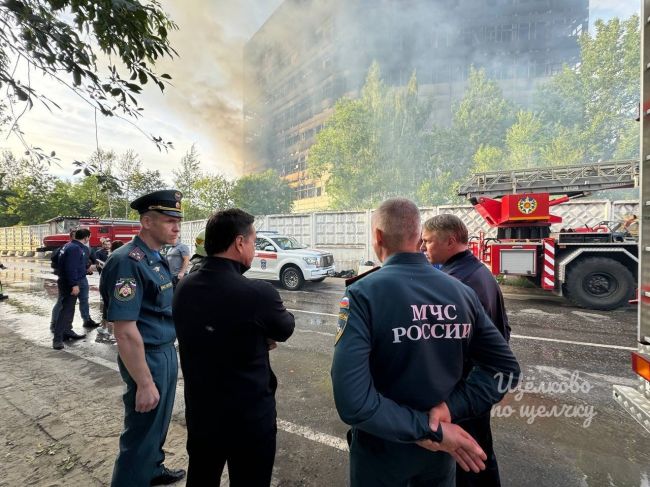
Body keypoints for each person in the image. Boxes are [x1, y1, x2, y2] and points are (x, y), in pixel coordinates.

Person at [331, 198, 520, 487]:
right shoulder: (460, 292)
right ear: (419, 239)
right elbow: (505, 370)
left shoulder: (362, 294)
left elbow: (353, 403)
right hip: (441, 456)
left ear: (378, 236)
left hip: (382, 454)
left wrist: (428, 429)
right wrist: (449, 411)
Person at [173, 208, 295, 486]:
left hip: (202, 415)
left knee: (202, 478)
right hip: (249, 420)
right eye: (253, 241)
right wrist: (259, 335)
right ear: (240, 243)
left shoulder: (185, 286)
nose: (254, 248)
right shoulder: (257, 293)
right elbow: (285, 327)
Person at [99, 190, 186, 486]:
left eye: (179, 221)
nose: (177, 227)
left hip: (163, 351)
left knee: (158, 423)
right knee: (141, 430)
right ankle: (132, 477)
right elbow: (124, 330)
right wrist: (145, 382)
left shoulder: (154, 257)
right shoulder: (128, 261)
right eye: (169, 220)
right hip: (146, 356)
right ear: (147, 221)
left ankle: (152, 469)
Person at [421, 214, 510, 487]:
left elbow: (447, 345)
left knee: (470, 458)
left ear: (450, 241)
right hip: (478, 383)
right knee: (479, 451)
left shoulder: (457, 282)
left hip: (465, 386)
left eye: (428, 242)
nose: (424, 249)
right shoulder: (477, 271)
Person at [52, 228, 92, 349]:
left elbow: (69, 265)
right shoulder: (76, 248)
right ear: (86, 237)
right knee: (65, 311)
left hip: (66, 281)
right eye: (88, 237)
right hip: (70, 283)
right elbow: (70, 268)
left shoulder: (68, 245)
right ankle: (57, 339)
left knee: (69, 310)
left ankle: (67, 331)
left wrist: (84, 270)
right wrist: (74, 284)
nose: (88, 239)